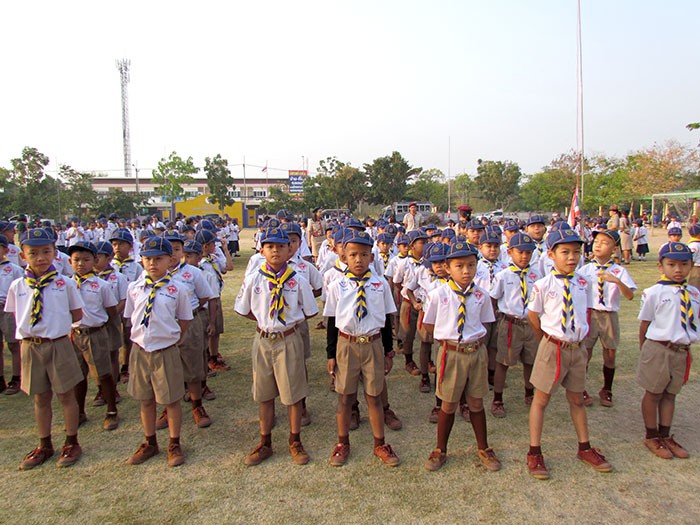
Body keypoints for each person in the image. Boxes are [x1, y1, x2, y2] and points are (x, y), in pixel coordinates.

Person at [526, 227, 613, 480]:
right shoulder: (543, 285)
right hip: (553, 347)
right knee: (541, 400)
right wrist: (547, 339)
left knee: (577, 399)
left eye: (576, 252)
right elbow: (533, 315)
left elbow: (585, 312)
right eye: (565, 252)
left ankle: (584, 447)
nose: (572, 257)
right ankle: (534, 451)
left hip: (577, 349)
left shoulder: (584, 283)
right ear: (551, 255)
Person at [234, 227, 318, 466]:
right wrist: (265, 322)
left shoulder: (298, 279)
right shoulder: (254, 278)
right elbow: (243, 309)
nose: (275, 251)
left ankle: (295, 440)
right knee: (264, 394)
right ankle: (265, 442)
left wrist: (286, 323)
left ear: (290, 250)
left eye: (281, 246)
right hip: (263, 340)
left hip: (289, 339)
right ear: (261, 250)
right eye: (270, 246)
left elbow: (310, 311)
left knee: (293, 395)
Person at [5, 228, 85, 469]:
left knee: (66, 395)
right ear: (22, 255)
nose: (40, 258)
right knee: (40, 397)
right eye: (33, 253)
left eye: (46, 252)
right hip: (31, 346)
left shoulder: (65, 283)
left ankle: (71, 441)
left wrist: (57, 327)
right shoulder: (18, 285)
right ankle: (44, 444)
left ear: (54, 253)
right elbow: (15, 313)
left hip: (58, 344)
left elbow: (77, 314)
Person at [422, 241, 501, 472]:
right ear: (447, 268)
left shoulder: (481, 295)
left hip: (475, 352)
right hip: (452, 353)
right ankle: (440, 449)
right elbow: (429, 324)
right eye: (459, 266)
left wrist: (474, 345)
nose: (466, 271)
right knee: (448, 403)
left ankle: (483, 448)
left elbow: (485, 322)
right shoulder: (438, 295)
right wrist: (448, 342)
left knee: (476, 402)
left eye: (471, 265)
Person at [324, 230, 399, 467]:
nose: (359, 259)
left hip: (373, 344)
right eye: (353, 254)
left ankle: (380, 444)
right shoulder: (337, 285)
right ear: (343, 257)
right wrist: (330, 354)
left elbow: (386, 320)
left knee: (374, 396)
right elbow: (332, 322)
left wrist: (388, 351)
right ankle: (342, 442)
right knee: (345, 397)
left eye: (364, 254)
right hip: (347, 345)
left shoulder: (380, 285)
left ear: (372, 257)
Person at [124, 237, 193, 467]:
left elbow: (184, 320)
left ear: (170, 260)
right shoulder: (134, 288)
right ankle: (150, 441)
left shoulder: (178, 289)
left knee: (171, 400)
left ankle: (174, 442)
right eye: (148, 259)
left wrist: (172, 340)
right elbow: (131, 317)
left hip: (165, 351)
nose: (153, 263)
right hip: (140, 350)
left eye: (158, 259)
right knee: (146, 399)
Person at [637, 242, 698, 459]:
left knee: (671, 394)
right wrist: (644, 349)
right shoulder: (654, 292)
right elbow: (645, 323)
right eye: (671, 264)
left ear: (691, 265)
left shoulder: (694, 293)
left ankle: (665, 434)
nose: (678, 269)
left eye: (684, 264)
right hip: (659, 348)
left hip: (681, 351)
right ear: (661, 266)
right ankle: (651, 435)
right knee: (653, 393)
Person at [155, 232, 215, 430]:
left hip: (189, 323)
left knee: (193, 364)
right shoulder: (152, 276)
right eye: (168, 249)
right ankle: (168, 408)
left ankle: (197, 406)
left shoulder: (193, 273)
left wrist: (188, 311)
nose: (172, 254)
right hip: (164, 326)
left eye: (177, 249)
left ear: (182, 251)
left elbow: (205, 296)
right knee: (167, 367)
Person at [67, 241, 120, 430]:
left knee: (103, 374)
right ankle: (80, 412)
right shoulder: (66, 284)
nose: (81, 264)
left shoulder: (102, 285)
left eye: (86, 259)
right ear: (70, 261)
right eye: (76, 260)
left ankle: (111, 411)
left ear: (95, 261)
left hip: (95, 333)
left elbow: (111, 310)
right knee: (78, 376)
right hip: (74, 334)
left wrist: (100, 326)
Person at [580, 230, 636, 407]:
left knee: (610, 353)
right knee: (585, 352)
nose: (598, 245)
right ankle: (581, 388)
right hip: (590, 313)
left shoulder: (619, 271)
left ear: (614, 248)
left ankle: (607, 389)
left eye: (604, 243)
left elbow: (630, 296)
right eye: (596, 241)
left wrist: (617, 281)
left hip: (609, 315)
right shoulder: (585, 269)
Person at [489, 233, 540, 418]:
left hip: (531, 324)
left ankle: (529, 392)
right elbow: (493, 299)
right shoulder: (503, 275)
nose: (524, 256)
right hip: (510, 323)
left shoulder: (537, 275)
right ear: (510, 252)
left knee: (530, 361)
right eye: (520, 252)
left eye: (528, 252)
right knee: (503, 362)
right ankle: (498, 399)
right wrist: (496, 319)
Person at [393, 230, 429, 376]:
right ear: (412, 245)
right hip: (409, 302)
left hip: (425, 304)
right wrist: (408, 296)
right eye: (422, 243)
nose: (425, 245)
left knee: (426, 335)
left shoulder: (428, 262)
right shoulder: (403, 263)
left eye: (427, 242)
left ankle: (427, 361)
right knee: (408, 334)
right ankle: (409, 361)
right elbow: (397, 282)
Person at [110, 228, 143, 384]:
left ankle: (126, 366)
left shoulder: (136, 267)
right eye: (115, 244)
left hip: (130, 306)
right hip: (113, 306)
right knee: (113, 338)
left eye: (121, 244)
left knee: (128, 336)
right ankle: (113, 367)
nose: (117, 247)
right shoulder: (110, 265)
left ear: (130, 246)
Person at [0, 235, 24, 395]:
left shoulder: (14, 269)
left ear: (6, 250)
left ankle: (16, 378)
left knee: (13, 344)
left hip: (7, 308)